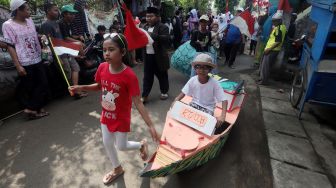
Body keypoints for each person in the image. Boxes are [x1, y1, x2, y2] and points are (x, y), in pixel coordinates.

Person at [69, 33, 160, 184]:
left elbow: (138, 102)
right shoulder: (102, 67)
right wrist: (81, 87)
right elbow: (99, 86)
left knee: (122, 146)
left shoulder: (129, 76)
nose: (106, 53)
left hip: (121, 117)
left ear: (123, 52)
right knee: (107, 142)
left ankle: (141, 144)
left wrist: (150, 125)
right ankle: (117, 168)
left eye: (111, 50)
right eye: (104, 50)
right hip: (106, 114)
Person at [2, 0, 49, 119]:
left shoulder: (30, 21)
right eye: (27, 9)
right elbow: (10, 46)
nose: (30, 11)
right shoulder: (8, 25)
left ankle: (32, 108)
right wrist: (18, 65)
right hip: (24, 61)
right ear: (19, 10)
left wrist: (41, 37)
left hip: (38, 57)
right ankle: (33, 110)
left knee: (43, 83)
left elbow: (33, 36)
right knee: (31, 86)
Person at [172, 53, 227, 129]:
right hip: (194, 105)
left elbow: (224, 100)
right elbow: (183, 93)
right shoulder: (192, 80)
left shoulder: (215, 83)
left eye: (205, 68)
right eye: (198, 67)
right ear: (195, 68)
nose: (201, 70)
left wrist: (223, 116)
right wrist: (176, 100)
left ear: (210, 69)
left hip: (208, 109)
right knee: (183, 122)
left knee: (203, 128)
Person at [141, 7, 170, 103]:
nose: (148, 18)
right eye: (147, 16)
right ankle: (145, 95)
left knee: (162, 75)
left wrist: (151, 35)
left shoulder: (163, 27)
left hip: (159, 56)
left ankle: (164, 91)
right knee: (147, 77)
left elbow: (166, 40)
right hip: (148, 56)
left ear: (157, 17)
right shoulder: (144, 27)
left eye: (151, 16)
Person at [258, 11, 287, 85]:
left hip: (272, 50)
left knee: (266, 66)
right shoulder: (281, 27)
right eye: (273, 21)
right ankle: (262, 79)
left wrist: (269, 49)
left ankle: (263, 81)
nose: (273, 22)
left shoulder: (279, 28)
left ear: (279, 20)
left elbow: (278, 41)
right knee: (265, 65)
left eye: (275, 21)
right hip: (272, 49)